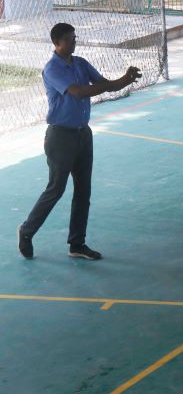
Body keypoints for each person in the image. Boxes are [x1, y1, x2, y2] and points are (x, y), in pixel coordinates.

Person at [17, 23, 142, 261]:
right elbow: (78, 92)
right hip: (60, 137)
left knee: (83, 190)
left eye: (75, 37)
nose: (74, 42)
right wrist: (106, 86)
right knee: (56, 189)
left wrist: (124, 80)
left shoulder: (81, 63)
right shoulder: (52, 69)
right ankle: (26, 230)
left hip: (83, 134)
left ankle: (77, 243)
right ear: (57, 42)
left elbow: (103, 83)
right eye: (69, 39)